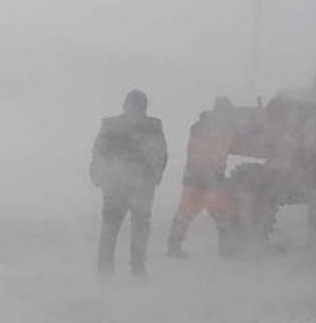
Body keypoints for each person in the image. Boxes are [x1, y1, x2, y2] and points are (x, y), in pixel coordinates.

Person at [90, 89, 168, 278]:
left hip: (120, 184)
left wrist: (98, 175)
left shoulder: (112, 125)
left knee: (113, 227)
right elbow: (162, 154)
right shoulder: (152, 126)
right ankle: (134, 269)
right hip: (136, 184)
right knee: (136, 227)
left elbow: (98, 151)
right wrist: (156, 176)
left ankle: (108, 269)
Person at [166, 96, 239, 258]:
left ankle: (174, 246)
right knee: (221, 214)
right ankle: (226, 248)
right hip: (207, 178)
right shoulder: (221, 130)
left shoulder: (200, 127)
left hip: (197, 177)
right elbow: (224, 149)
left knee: (187, 214)